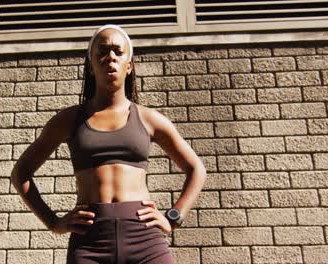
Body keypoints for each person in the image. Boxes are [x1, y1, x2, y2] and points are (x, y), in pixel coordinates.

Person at [11, 24, 207, 264]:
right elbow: (21, 173)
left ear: (130, 65)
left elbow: (196, 169)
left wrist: (173, 217)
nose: (110, 57)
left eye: (118, 51)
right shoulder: (69, 119)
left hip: (144, 239)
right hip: (90, 242)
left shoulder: (149, 118)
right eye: (102, 52)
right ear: (91, 66)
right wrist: (53, 222)